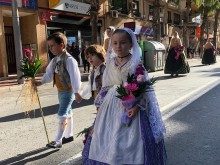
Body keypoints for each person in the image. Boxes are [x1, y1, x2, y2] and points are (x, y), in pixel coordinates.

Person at [82, 28, 167, 165]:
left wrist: (137, 106)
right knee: (108, 138)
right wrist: (99, 112)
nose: (118, 46)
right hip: (110, 106)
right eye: (115, 43)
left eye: (122, 43)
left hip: (131, 105)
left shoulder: (136, 63)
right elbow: (106, 88)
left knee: (129, 140)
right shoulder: (110, 63)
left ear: (131, 44)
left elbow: (144, 89)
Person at [35, 32, 82, 148]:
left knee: (62, 113)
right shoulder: (54, 60)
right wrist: (40, 82)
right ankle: (69, 135)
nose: (50, 48)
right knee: (68, 112)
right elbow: (49, 74)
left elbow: (75, 76)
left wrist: (76, 91)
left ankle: (58, 140)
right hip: (60, 91)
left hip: (68, 91)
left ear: (61, 45)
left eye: (52, 46)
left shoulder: (70, 60)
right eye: (49, 46)